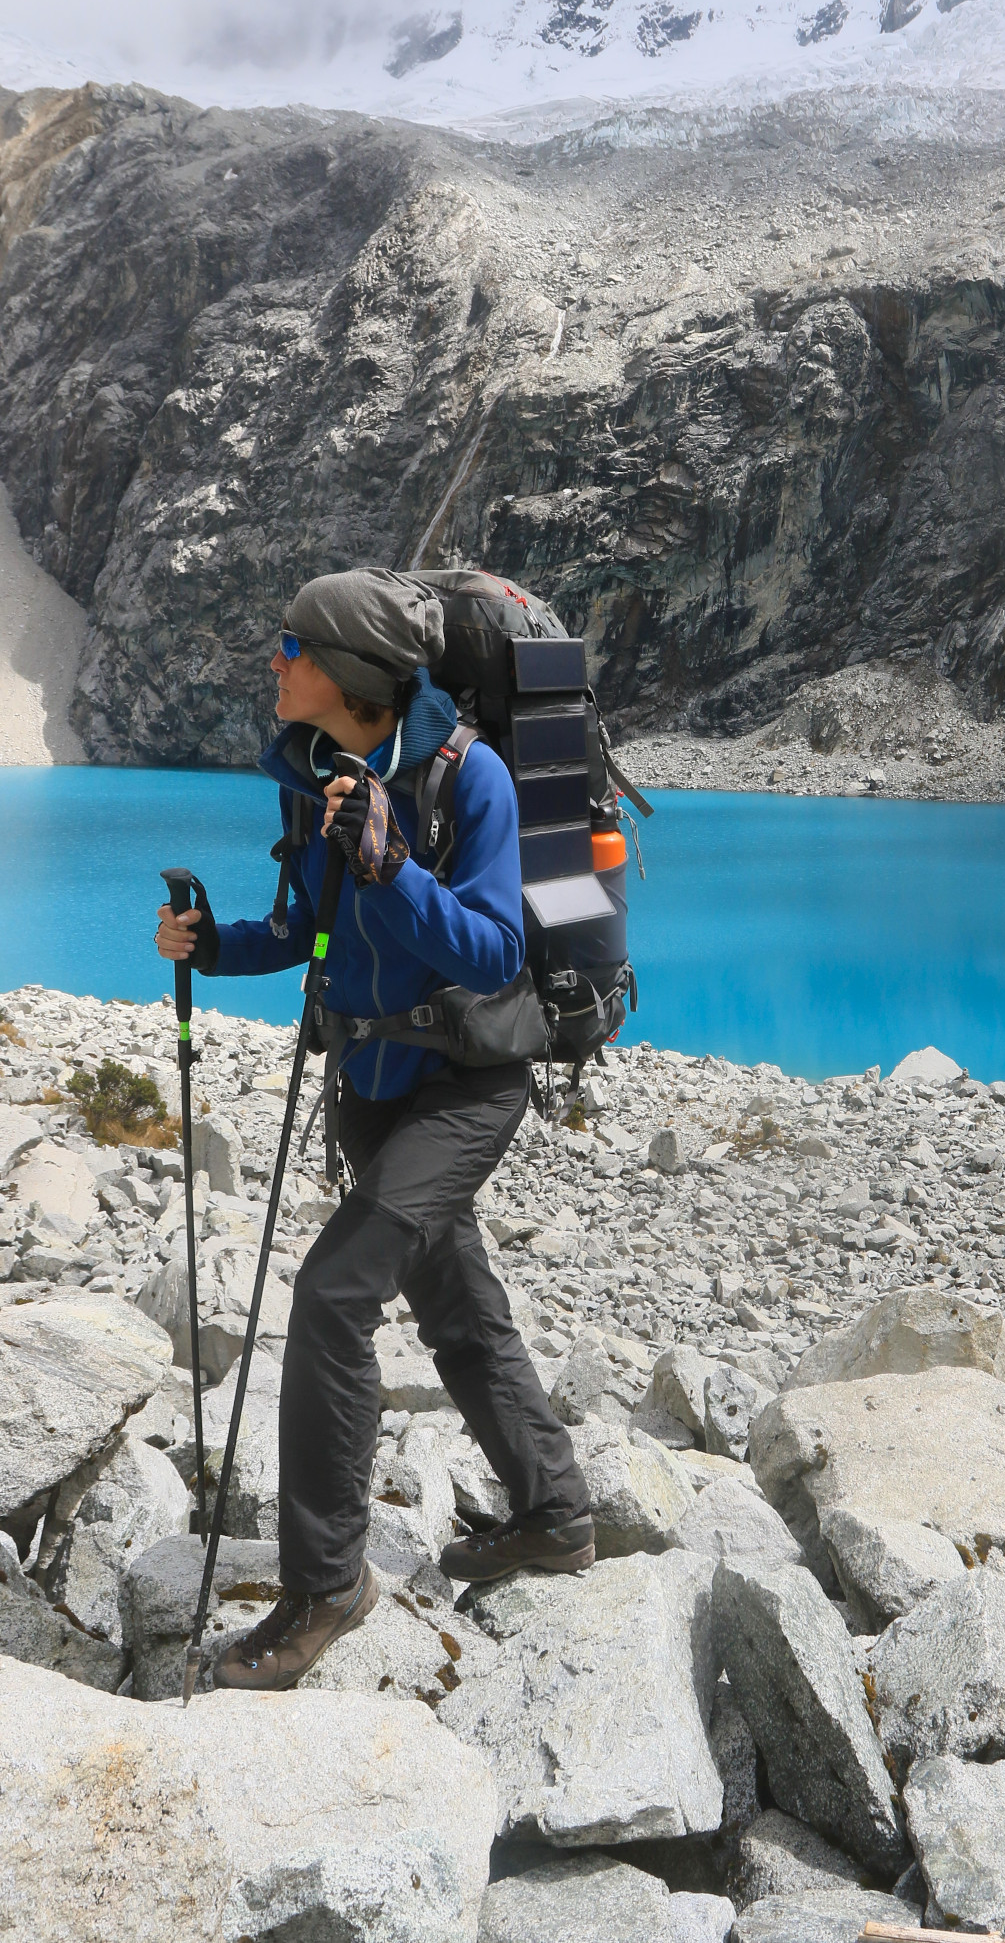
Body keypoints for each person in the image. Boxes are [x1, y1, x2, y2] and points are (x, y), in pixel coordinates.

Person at [155, 567, 592, 1690]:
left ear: (346, 673)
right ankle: (554, 1511)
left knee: (334, 1294)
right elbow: (305, 930)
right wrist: (212, 944)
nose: (275, 663)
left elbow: (495, 952)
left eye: (290, 647)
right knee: (453, 1300)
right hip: (372, 1082)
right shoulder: (311, 776)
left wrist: (392, 866)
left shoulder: (472, 777)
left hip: (468, 1083)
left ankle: (325, 1587)